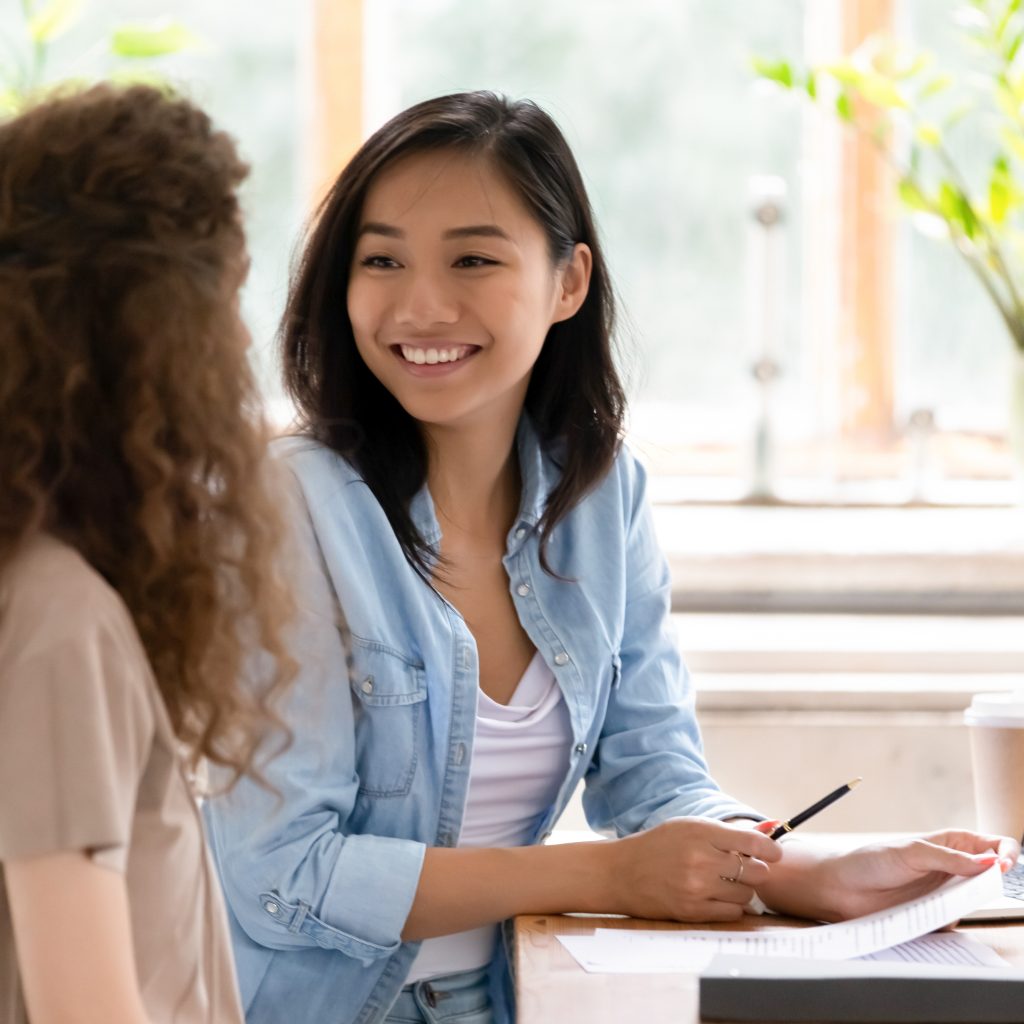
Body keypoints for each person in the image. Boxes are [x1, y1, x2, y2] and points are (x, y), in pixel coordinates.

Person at [203, 91, 1020, 1024]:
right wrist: (602, 872)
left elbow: (655, 774)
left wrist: (809, 874)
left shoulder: (599, 497)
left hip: (509, 999)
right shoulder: (284, 507)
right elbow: (281, 871)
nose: (421, 304)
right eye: (381, 259)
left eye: (473, 258)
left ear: (568, 282)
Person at [0, 84, 296, 1024]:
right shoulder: (60, 621)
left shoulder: (53, 589)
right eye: (227, 298)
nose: (242, 339)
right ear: (150, 331)